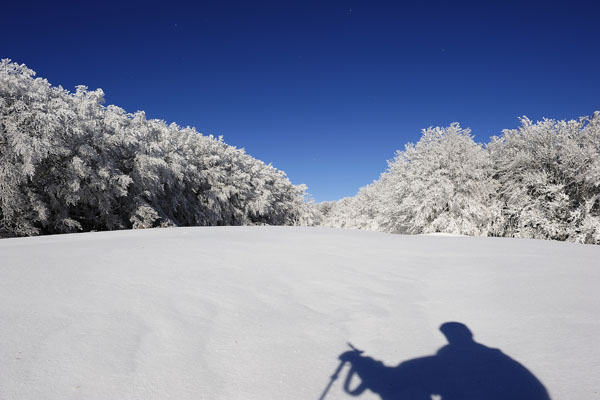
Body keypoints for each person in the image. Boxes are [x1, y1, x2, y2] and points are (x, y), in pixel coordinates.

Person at [338, 322, 551, 400]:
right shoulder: (495, 358)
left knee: (407, 392)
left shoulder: (449, 364)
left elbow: (392, 381)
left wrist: (360, 363)